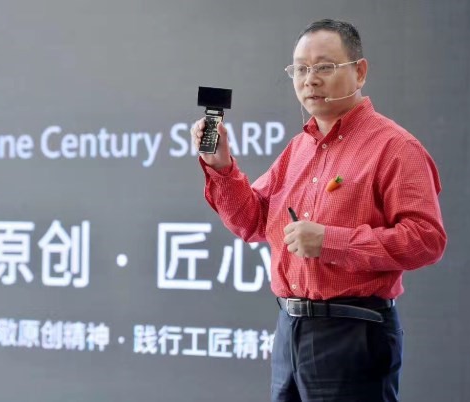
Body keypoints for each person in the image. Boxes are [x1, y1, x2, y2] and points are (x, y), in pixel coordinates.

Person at [191, 19, 447, 402]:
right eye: (300, 69)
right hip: (290, 328)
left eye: (325, 67)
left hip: (354, 331)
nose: (310, 80)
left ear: (360, 71)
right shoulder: (299, 148)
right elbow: (253, 221)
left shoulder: (395, 148)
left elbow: (426, 240)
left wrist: (331, 241)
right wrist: (221, 165)